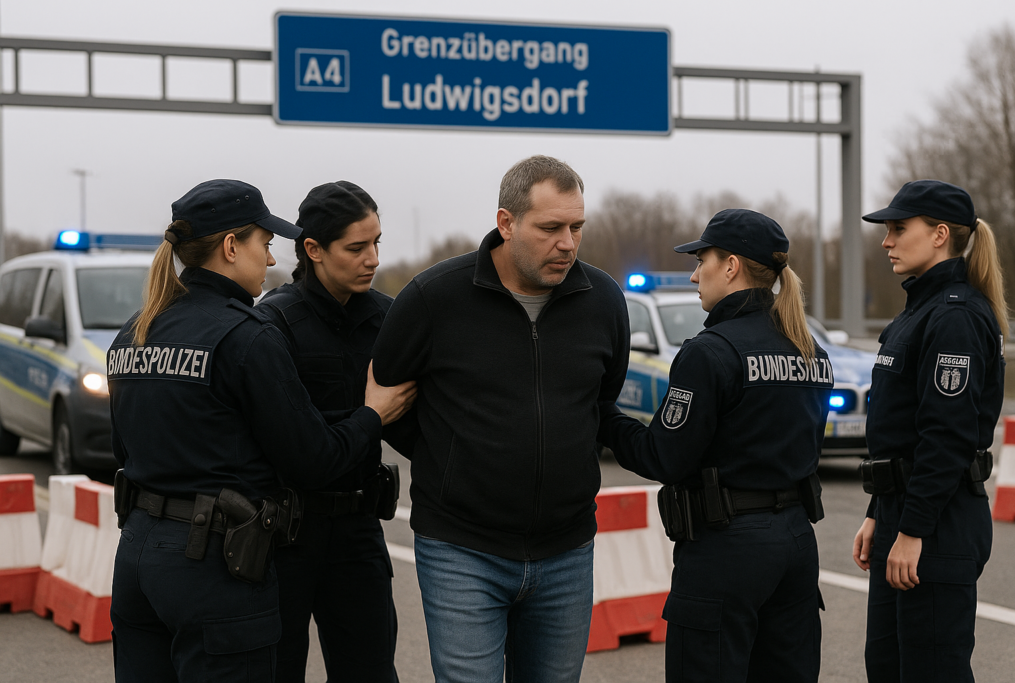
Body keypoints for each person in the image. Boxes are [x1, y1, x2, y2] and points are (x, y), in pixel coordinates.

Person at [106, 179, 416, 683]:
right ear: (232, 246)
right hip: (213, 561)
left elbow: (125, 449)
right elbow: (310, 457)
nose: (271, 260)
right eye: (265, 244)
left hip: (139, 556)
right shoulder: (248, 334)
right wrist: (372, 414)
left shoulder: (135, 330)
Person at [371, 155, 630, 683]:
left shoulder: (603, 300)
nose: (568, 243)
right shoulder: (432, 298)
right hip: (460, 550)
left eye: (577, 227)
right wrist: (451, 458)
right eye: (551, 228)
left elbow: (600, 402)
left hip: (567, 549)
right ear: (506, 223)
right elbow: (390, 399)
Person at [599, 209, 833, 683]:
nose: (693, 273)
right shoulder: (810, 350)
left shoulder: (710, 351)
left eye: (701, 259)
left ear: (730, 266)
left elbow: (663, 456)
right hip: (795, 543)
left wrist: (603, 416)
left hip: (727, 550)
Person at [258, 181, 414, 682]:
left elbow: (416, 425)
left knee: (369, 672)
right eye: (356, 247)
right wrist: (370, 416)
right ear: (313, 250)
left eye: (377, 244)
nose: (371, 258)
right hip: (286, 535)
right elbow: (287, 440)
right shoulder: (273, 323)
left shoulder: (389, 319)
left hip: (358, 532)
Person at [852, 180, 1007, 683]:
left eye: (899, 228)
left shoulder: (955, 317)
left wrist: (913, 529)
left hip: (937, 523)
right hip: (904, 512)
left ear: (940, 234)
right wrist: (881, 511)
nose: (886, 240)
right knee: (889, 669)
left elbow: (946, 436)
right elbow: (900, 432)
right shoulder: (916, 313)